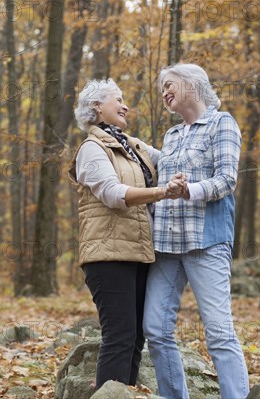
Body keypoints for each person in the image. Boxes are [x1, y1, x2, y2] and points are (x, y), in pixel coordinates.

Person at [143, 63, 250, 398]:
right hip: (166, 246)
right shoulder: (172, 135)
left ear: (193, 84)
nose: (164, 93)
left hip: (205, 242)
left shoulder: (222, 123)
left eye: (169, 85)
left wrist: (189, 190)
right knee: (155, 329)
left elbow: (227, 179)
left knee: (218, 332)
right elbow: (166, 173)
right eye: (162, 89)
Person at [68, 78, 182, 389]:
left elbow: (172, 161)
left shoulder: (133, 146)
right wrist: (160, 192)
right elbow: (112, 193)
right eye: (118, 100)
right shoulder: (91, 149)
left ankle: (124, 394)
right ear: (96, 107)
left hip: (139, 253)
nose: (125, 106)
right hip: (107, 256)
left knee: (135, 338)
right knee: (119, 335)